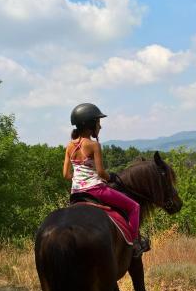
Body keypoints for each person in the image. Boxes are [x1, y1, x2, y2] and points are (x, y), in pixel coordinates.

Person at [63, 103, 148, 257]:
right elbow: (101, 172)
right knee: (134, 207)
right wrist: (111, 177)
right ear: (90, 124)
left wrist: (79, 181)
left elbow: (66, 175)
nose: (100, 127)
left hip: (76, 193)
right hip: (96, 190)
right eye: (98, 123)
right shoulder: (94, 145)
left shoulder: (69, 146)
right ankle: (135, 244)